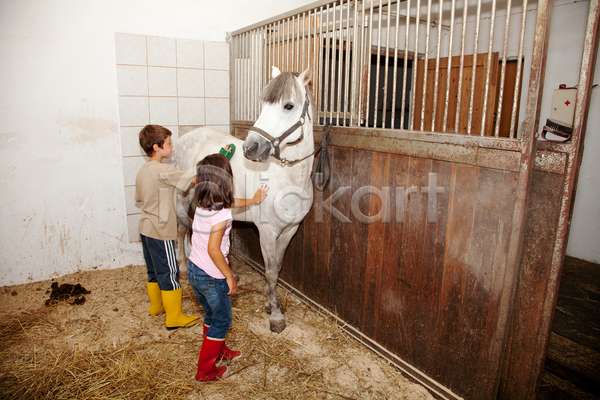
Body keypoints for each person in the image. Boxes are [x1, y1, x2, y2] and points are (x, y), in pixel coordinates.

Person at [188, 150, 268, 382]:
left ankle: (220, 351)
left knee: (212, 315)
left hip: (195, 270)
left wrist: (253, 200)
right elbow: (214, 249)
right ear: (226, 180)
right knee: (222, 321)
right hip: (212, 276)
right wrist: (229, 276)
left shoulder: (204, 202)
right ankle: (205, 371)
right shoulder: (220, 213)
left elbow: (230, 203)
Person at [135, 124, 199, 331]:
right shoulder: (164, 170)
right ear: (156, 147)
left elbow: (139, 198)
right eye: (169, 143)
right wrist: (213, 165)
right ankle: (174, 317)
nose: (172, 147)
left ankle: (156, 307)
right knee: (170, 272)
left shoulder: (143, 170)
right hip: (161, 230)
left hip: (145, 227)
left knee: (153, 270)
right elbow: (193, 180)